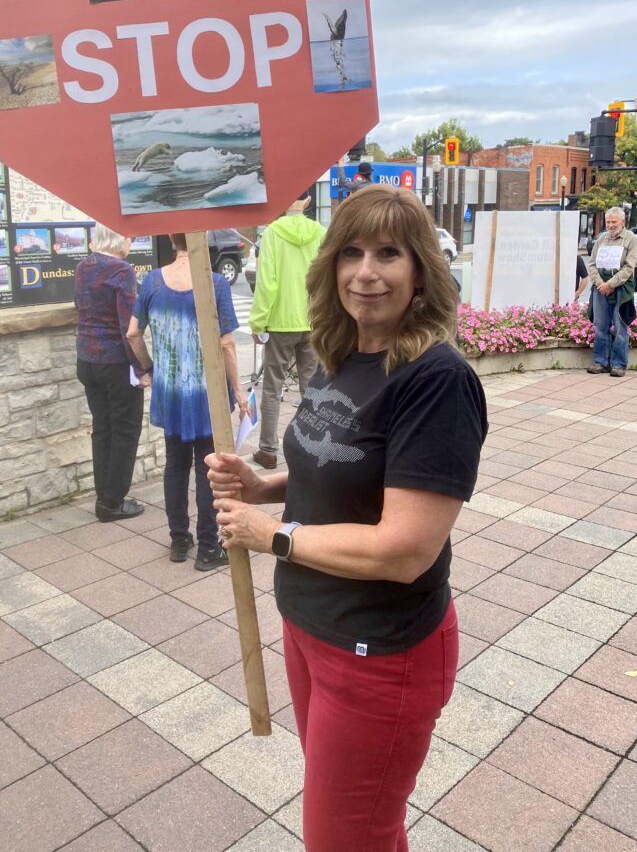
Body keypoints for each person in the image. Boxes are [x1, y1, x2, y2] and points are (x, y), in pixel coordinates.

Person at [206, 185, 488, 852]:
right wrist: (263, 485)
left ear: (421, 269)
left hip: (380, 653)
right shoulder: (344, 355)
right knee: (362, 832)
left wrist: (270, 536)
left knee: (341, 840)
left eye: (389, 253)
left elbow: (404, 549)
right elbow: (334, 467)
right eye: (352, 252)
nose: (366, 271)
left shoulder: (435, 380)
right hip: (310, 628)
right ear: (330, 265)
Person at [127, 233, 247, 570]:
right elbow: (226, 345)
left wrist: (149, 367)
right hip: (206, 394)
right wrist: (238, 390)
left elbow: (133, 333)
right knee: (209, 470)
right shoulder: (215, 283)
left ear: (170, 237)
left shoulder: (152, 280)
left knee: (175, 466)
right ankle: (209, 547)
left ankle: (179, 540)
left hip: (170, 392)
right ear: (202, 236)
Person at [75, 225, 150, 522]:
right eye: (130, 237)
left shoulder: (84, 266)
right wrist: (142, 367)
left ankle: (104, 494)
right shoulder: (121, 271)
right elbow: (128, 328)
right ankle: (112, 502)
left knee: (102, 427)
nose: (132, 241)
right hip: (117, 363)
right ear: (119, 240)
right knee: (125, 430)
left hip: (86, 359)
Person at [248, 194, 326, 469]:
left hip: (280, 322)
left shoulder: (272, 233)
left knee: (272, 387)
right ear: (306, 201)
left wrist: (258, 322)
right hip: (312, 320)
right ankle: (313, 445)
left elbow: (266, 282)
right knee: (312, 387)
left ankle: (268, 450)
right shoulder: (320, 233)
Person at [587, 206, 637, 377]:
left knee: (620, 327)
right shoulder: (601, 239)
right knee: (600, 326)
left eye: (613, 222)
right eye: (608, 222)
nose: (610, 225)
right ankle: (600, 362)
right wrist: (601, 284)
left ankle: (618, 364)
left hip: (621, 288)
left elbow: (629, 267)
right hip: (600, 289)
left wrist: (611, 284)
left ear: (622, 222)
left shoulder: (631, 240)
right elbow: (592, 264)